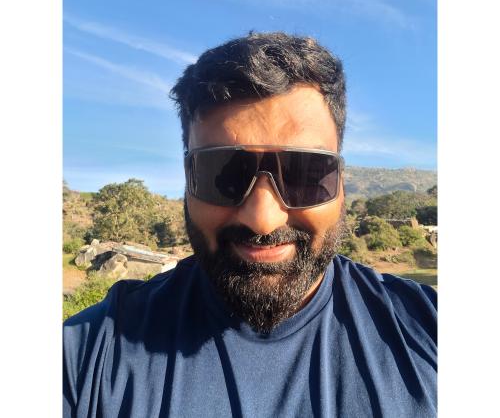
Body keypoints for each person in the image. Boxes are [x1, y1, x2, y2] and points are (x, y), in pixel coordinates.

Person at [63, 32, 437, 417]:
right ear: (187, 179)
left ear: (341, 185)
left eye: (304, 174)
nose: (262, 218)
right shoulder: (87, 355)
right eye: (222, 174)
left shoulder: (430, 331)